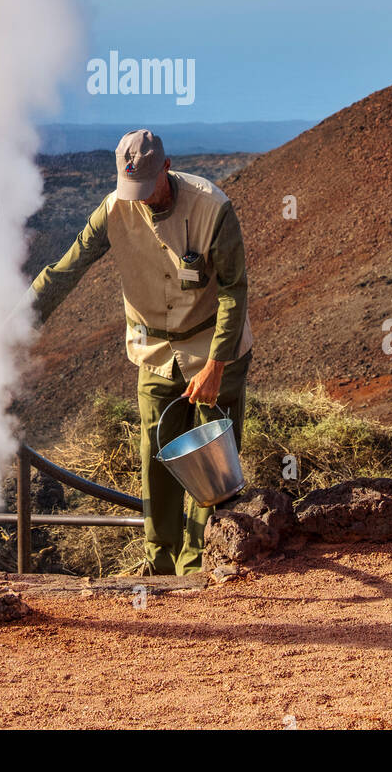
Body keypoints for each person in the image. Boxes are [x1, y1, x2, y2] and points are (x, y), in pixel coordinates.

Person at [30, 128, 252, 575]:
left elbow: (233, 292)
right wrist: (11, 326)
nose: (142, 200)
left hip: (212, 347)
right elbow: (64, 271)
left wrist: (215, 365)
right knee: (157, 455)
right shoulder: (114, 209)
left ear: (167, 168)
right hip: (154, 351)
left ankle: (200, 567)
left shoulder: (213, 207)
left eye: (148, 189)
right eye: (133, 190)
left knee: (213, 465)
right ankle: (161, 562)